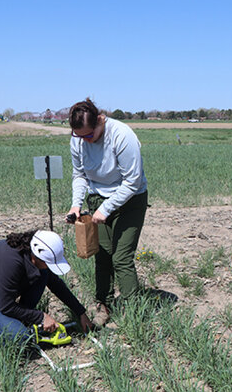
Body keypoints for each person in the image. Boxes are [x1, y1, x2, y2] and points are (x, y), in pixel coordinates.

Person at [66, 98, 148, 326]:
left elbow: (132, 181)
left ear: (101, 120)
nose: (85, 141)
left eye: (89, 135)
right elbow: (79, 175)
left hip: (130, 199)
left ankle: (133, 313)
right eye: (79, 136)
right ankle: (104, 304)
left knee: (121, 257)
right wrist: (76, 204)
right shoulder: (79, 139)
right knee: (102, 255)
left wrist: (106, 208)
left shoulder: (122, 136)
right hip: (97, 198)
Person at [0, 230, 93, 344]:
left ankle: (17, 321)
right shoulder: (11, 261)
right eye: (48, 263)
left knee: (43, 275)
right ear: (36, 256)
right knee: (22, 338)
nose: (49, 267)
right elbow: (6, 306)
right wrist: (41, 317)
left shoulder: (30, 253)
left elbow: (56, 284)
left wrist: (80, 312)